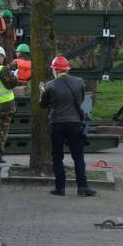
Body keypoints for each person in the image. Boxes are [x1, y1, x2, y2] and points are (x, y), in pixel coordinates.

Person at [40, 56, 97, 197]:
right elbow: (81, 99)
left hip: (57, 124)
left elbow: (43, 105)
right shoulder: (79, 83)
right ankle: (82, 187)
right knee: (78, 156)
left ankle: (60, 188)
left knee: (57, 156)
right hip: (74, 123)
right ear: (66, 69)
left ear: (55, 70)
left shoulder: (49, 85)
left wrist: (42, 92)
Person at [0, 46, 20, 163]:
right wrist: (16, 77)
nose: (2, 58)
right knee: (3, 130)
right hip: (5, 105)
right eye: (2, 56)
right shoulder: (3, 69)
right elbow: (10, 84)